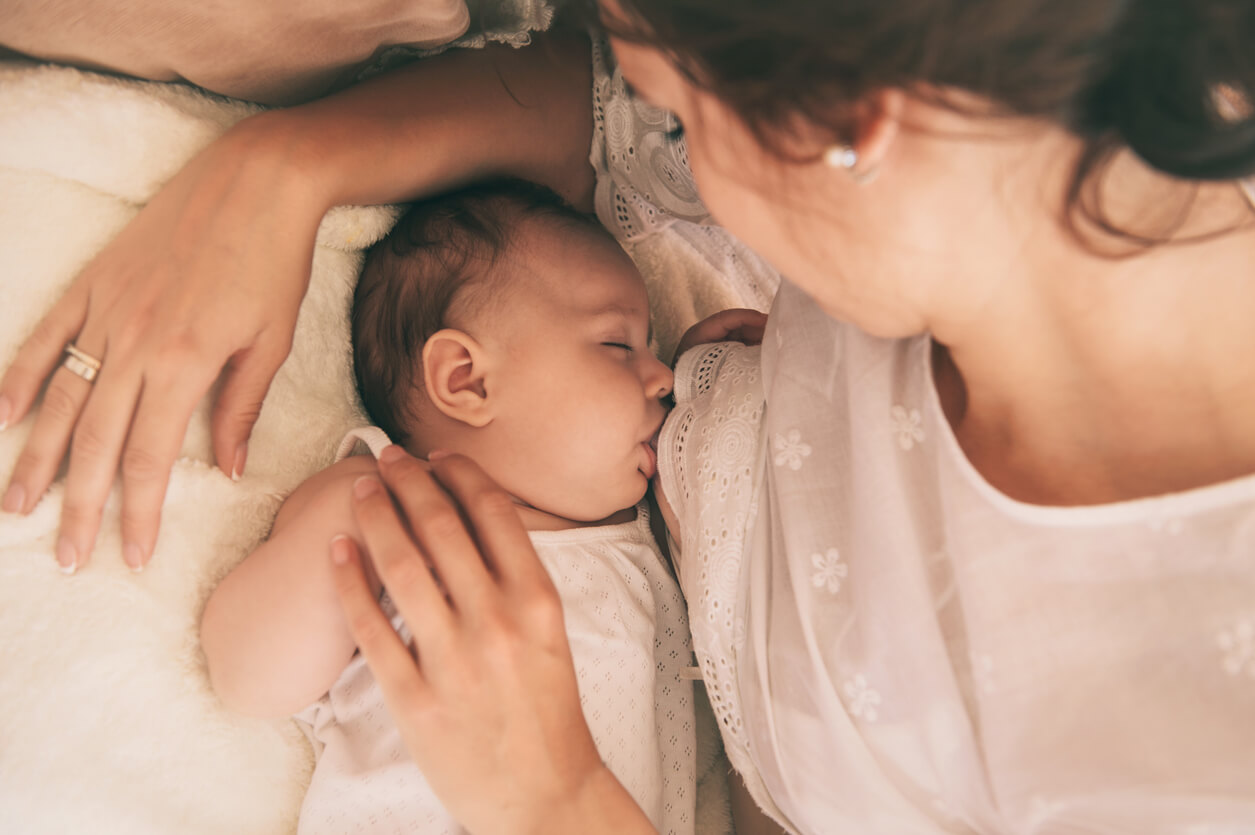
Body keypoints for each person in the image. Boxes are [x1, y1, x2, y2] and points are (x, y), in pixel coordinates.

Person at [4, 0, 1255, 832]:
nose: (683, 172)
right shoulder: (1001, 169)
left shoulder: (1180, 732)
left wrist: (551, 795)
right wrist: (281, 171)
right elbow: (607, 121)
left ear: (844, 130)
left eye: (694, 117)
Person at [199, 178, 719, 835]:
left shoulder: (654, 529)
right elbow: (248, 679)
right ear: (465, 379)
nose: (662, 375)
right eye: (619, 345)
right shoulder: (391, 509)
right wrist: (343, 513)